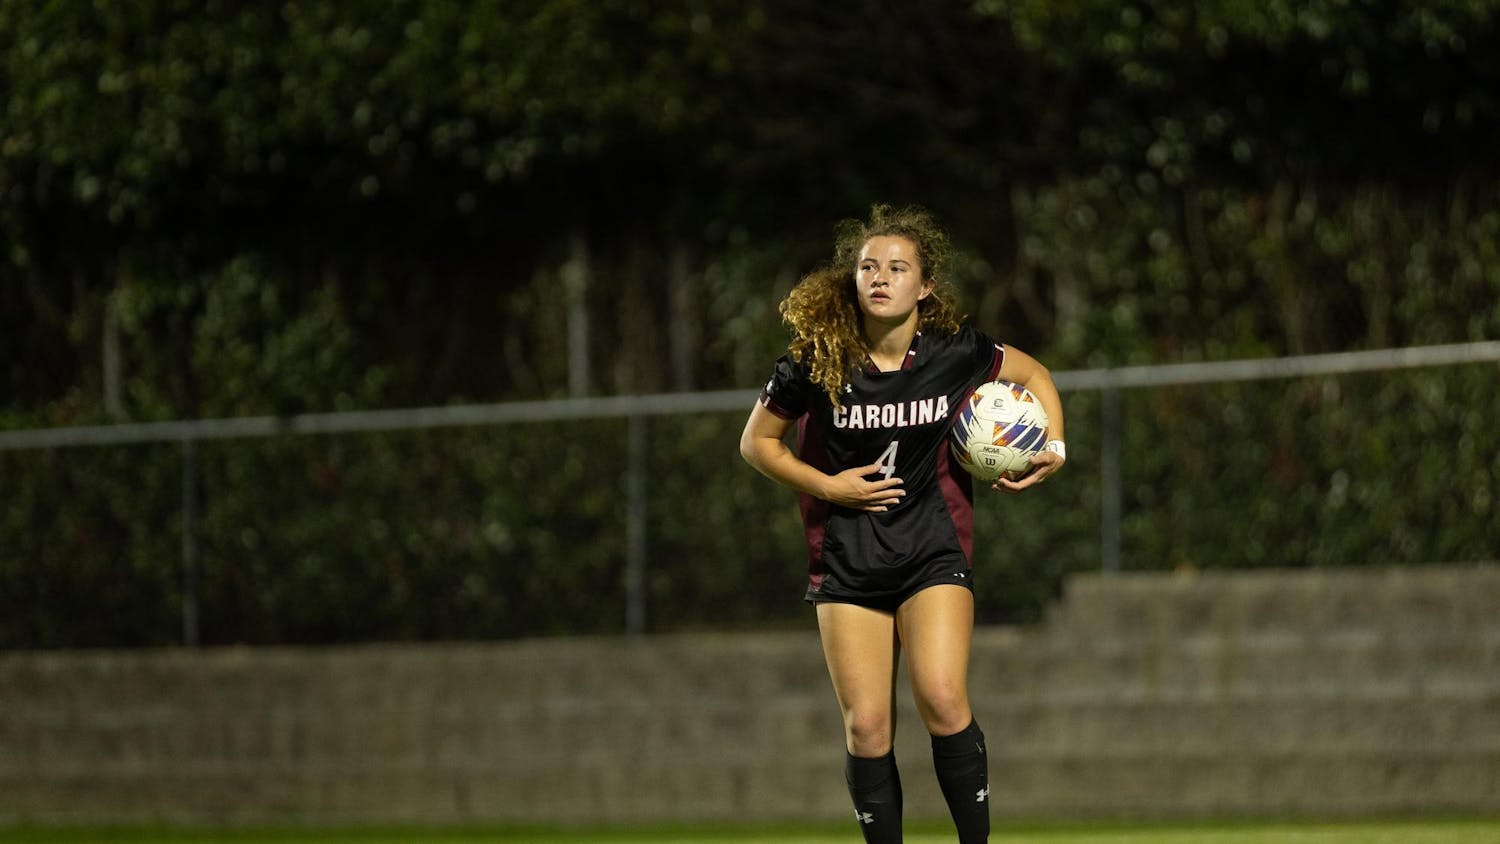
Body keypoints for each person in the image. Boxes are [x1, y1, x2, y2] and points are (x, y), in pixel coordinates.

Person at [738, 204, 1066, 843]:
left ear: (926, 286)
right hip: (847, 556)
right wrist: (829, 485)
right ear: (853, 280)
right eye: (868, 267)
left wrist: (1054, 445)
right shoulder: (817, 360)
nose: (880, 278)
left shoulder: (954, 353)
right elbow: (758, 444)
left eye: (897, 268)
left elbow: (1037, 375)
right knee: (867, 726)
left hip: (931, 548)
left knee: (943, 701)